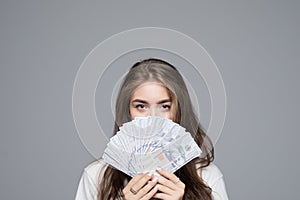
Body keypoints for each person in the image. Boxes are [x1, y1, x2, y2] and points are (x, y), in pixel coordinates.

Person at [75, 58, 229, 200]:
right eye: (141, 106)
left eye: (164, 106)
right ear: (127, 111)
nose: (153, 118)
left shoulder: (207, 176)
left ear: (179, 111)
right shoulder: (96, 176)